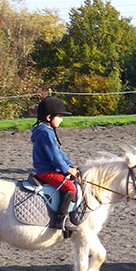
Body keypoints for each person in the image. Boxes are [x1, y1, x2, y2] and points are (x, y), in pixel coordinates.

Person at [31, 96, 80, 228]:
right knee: (70, 187)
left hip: (51, 169)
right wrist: (67, 170)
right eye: (59, 116)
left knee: (75, 182)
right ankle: (60, 221)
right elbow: (54, 158)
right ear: (49, 117)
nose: (61, 119)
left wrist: (70, 165)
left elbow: (60, 153)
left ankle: (72, 214)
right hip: (46, 172)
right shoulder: (45, 133)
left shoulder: (48, 131)